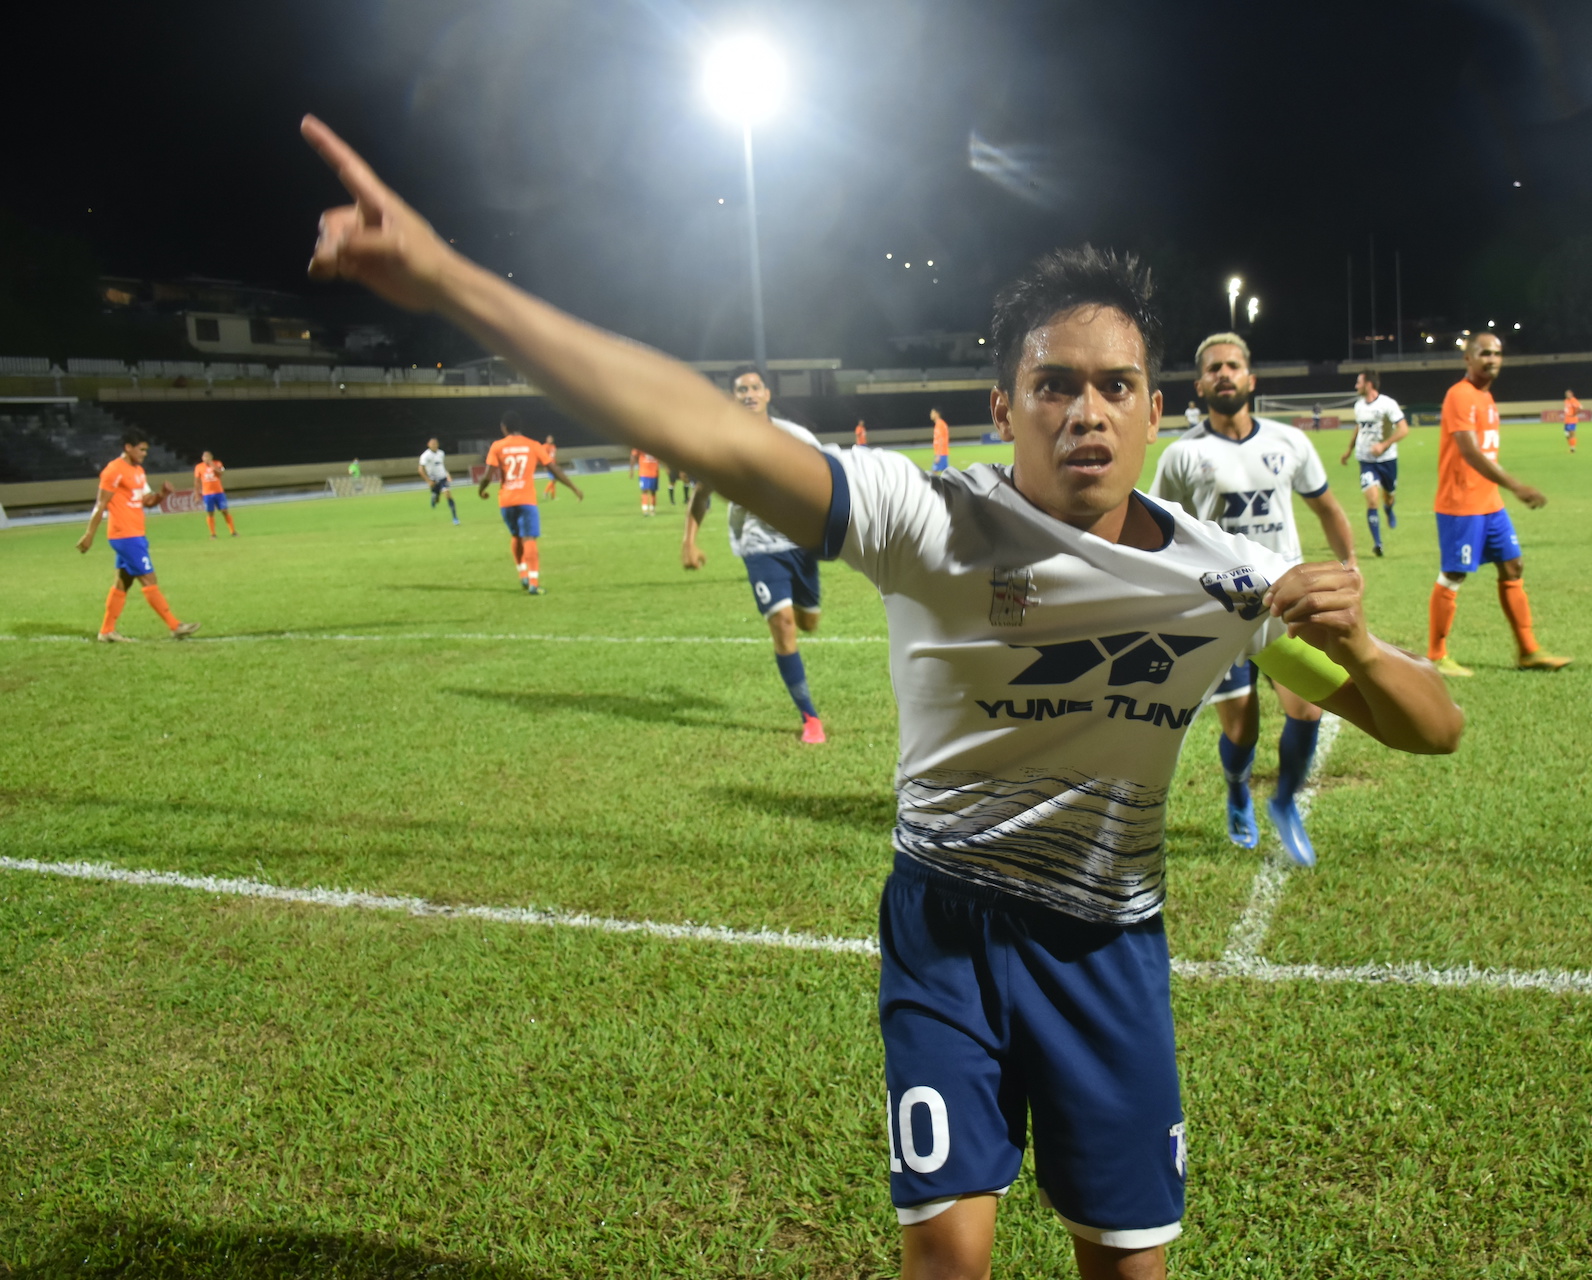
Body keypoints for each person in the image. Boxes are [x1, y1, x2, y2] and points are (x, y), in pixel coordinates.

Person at [301, 118, 1462, 1278]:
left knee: (1126, 1266)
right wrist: (450, 278)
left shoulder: (1222, 579)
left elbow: (1434, 725)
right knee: (943, 1261)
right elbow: (698, 425)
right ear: (1002, 408)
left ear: (1155, 411)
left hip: (1109, 943)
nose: (1086, 412)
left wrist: (1359, 651)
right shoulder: (930, 520)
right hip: (945, 925)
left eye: (1115, 386)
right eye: (1052, 385)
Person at [1151, 332, 1357, 863]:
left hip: (1287, 603)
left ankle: (1285, 801)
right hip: (1220, 610)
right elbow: (1159, 529)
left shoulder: (1289, 443)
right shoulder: (1182, 455)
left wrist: (1350, 567)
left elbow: (1328, 508)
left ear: (1250, 378)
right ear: (1200, 384)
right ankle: (1239, 791)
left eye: (1233, 365)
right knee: (1242, 732)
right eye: (1214, 367)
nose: (1224, 373)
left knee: (1308, 710)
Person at [683, 367, 830, 744]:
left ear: (766, 393)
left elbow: (833, 478)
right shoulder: (721, 445)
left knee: (808, 622)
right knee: (783, 625)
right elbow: (701, 496)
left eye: (754, 387)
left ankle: (802, 606)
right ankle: (810, 718)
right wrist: (689, 540)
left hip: (801, 543)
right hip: (757, 547)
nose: (748, 393)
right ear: (733, 397)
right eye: (740, 389)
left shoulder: (796, 438)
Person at [1427, 333, 1572, 677]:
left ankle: (1528, 651)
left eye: (1497, 353)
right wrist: (1516, 486)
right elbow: (1469, 451)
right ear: (1468, 358)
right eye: (1484, 353)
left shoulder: (1486, 397)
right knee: (1454, 574)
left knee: (1513, 567)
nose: (1492, 359)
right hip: (1461, 504)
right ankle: (1435, 656)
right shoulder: (1459, 395)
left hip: (1489, 502)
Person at [76, 427, 200, 641]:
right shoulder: (113, 470)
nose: (145, 454)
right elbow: (100, 504)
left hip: (135, 532)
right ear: (128, 447)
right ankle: (175, 626)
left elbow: (147, 501)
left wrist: (162, 494)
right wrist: (89, 535)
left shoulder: (138, 471)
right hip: (124, 534)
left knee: (123, 581)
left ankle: (106, 631)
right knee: (148, 577)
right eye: (141, 450)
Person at [476, 410, 555, 594]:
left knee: (516, 536)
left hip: (506, 500)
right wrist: (574, 487)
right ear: (520, 427)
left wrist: (481, 490)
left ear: (504, 427)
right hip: (526, 499)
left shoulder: (497, 446)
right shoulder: (533, 445)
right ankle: (534, 583)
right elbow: (552, 467)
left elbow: (488, 475)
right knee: (529, 538)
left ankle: (522, 575)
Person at [1339, 370, 1407, 559]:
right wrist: (1349, 450)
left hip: (1387, 460)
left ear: (1369, 384)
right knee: (1371, 500)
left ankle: (1389, 509)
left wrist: (1384, 445)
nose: (1356, 386)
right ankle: (1378, 543)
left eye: (1358, 382)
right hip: (1366, 460)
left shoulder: (1388, 404)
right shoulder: (1358, 405)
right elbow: (1359, 427)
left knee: (1389, 495)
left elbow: (1404, 429)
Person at [194, 450, 237, 538]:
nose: (205, 458)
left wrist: (212, 465)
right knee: (210, 513)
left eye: (207, 457)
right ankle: (213, 534)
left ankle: (233, 532)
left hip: (219, 492)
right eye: (204, 457)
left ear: (211, 457)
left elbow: (221, 473)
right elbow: (197, 482)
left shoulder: (217, 463)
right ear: (202, 458)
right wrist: (197, 495)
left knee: (224, 511)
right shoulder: (199, 467)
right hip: (207, 494)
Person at [417, 436, 459, 524]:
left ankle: (455, 518)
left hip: (443, 478)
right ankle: (434, 497)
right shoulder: (425, 456)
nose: (434, 445)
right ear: (428, 445)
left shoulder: (441, 453)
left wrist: (447, 475)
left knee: (448, 495)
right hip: (433, 480)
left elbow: (441, 466)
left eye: (436, 444)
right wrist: (428, 481)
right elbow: (420, 470)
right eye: (432, 444)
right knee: (437, 500)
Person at [631, 447, 661, 515]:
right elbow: (633, 455)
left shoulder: (657, 445)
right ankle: (645, 510)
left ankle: (652, 509)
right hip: (644, 473)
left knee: (653, 491)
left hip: (654, 473)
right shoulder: (641, 445)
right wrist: (631, 469)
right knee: (644, 490)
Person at [929, 407, 951, 472]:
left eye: (932, 413)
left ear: (937, 414)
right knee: (946, 472)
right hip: (943, 453)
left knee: (933, 473)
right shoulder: (941, 424)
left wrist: (938, 455)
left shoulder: (940, 425)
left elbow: (941, 440)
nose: (930, 414)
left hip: (941, 453)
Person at [1562, 389, 1583, 453]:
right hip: (1566, 420)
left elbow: (1580, 407)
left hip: (1572, 420)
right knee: (1566, 434)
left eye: (1569, 394)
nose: (1567, 395)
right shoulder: (1565, 401)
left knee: (1572, 434)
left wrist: (1575, 414)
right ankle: (1571, 446)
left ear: (1571, 394)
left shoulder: (1573, 400)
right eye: (1566, 394)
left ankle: (1572, 449)